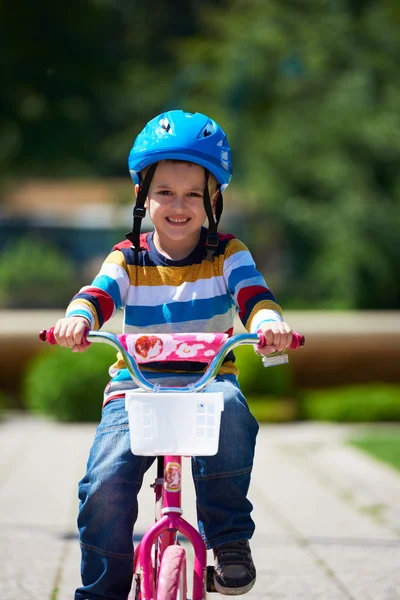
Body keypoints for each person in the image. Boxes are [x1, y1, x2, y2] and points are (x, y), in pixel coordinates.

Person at [54, 110, 293, 600]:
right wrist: (79, 318)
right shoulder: (129, 256)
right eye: (164, 192)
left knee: (232, 411)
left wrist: (269, 325)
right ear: (143, 198)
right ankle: (102, 589)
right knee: (103, 483)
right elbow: (98, 293)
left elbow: (253, 296)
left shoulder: (227, 254)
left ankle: (228, 541)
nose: (178, 205)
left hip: (209, 385)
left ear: (214, 200)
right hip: (135, 388)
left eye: (192, 194)